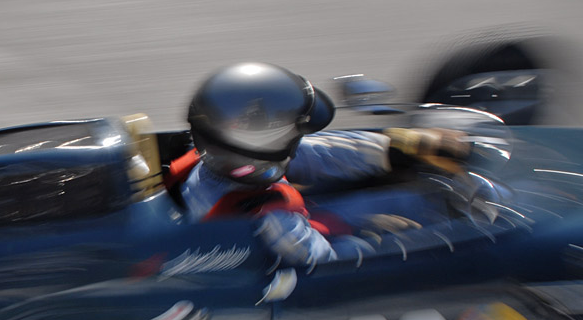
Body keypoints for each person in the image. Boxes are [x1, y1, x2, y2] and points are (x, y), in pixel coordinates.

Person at [170, 62, 468, 266]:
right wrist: (370, 237)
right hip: (305, 257)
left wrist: (400, 148)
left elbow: (312, 155)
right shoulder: (269, 217)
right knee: (419, 206)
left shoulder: (216, 163)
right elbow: (326, 265)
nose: (294, 139)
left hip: (295, 225)